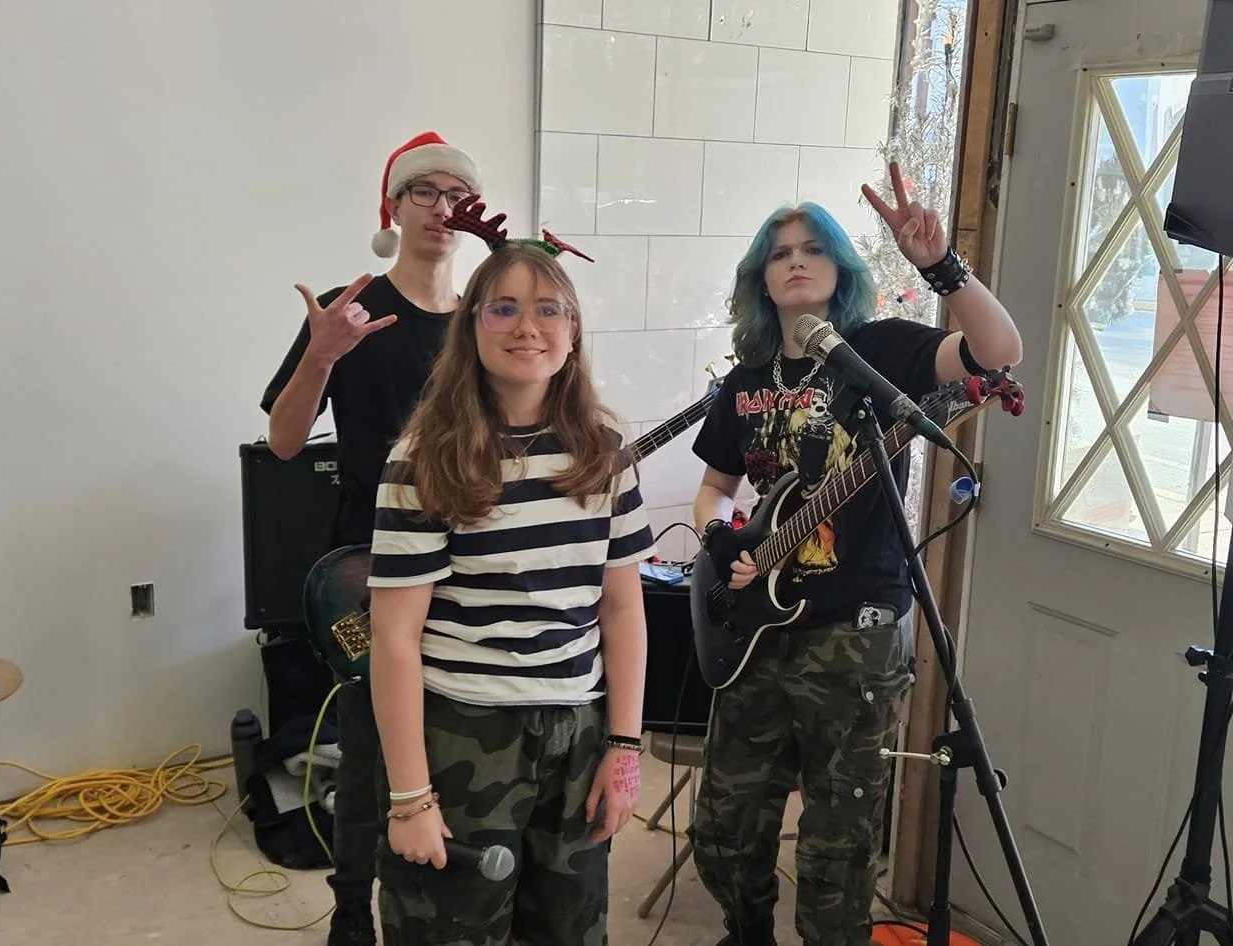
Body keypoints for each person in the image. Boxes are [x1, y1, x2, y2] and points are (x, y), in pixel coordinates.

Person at [685, 163, 1024, 946]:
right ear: (760, 280)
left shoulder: (877, 354)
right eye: (779, 253)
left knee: (838, 849)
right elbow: (714, 491)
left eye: (813, 249)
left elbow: (999, 349)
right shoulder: (744, 382)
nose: (795, 260)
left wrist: (941, 268)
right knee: (726, 832)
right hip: (754, 636)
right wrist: (721, 539)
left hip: (856, 634)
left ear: (840, 271)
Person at [364, 206, 652, 945]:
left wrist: (624, 750)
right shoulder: (424, 458)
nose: (529, 326)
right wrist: (409, 798)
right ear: (472, 327)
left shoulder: (604, 455)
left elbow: (622, 612)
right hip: (463, 734)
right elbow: (394, 638)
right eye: (505, 308)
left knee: (570, 930)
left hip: (579, 731)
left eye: (548, 308)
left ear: (573, 331)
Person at [257, 129, 482, 946]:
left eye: (457, 194)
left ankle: (447, 898)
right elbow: (285, 442)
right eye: (424, 191)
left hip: (469, 566)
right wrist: (318, 360)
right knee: (368, 744)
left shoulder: (485, 320)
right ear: (393, 206)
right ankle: (351, 913)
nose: (442, 208)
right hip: (368, 564)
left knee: (460, 735)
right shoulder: (351, 309)